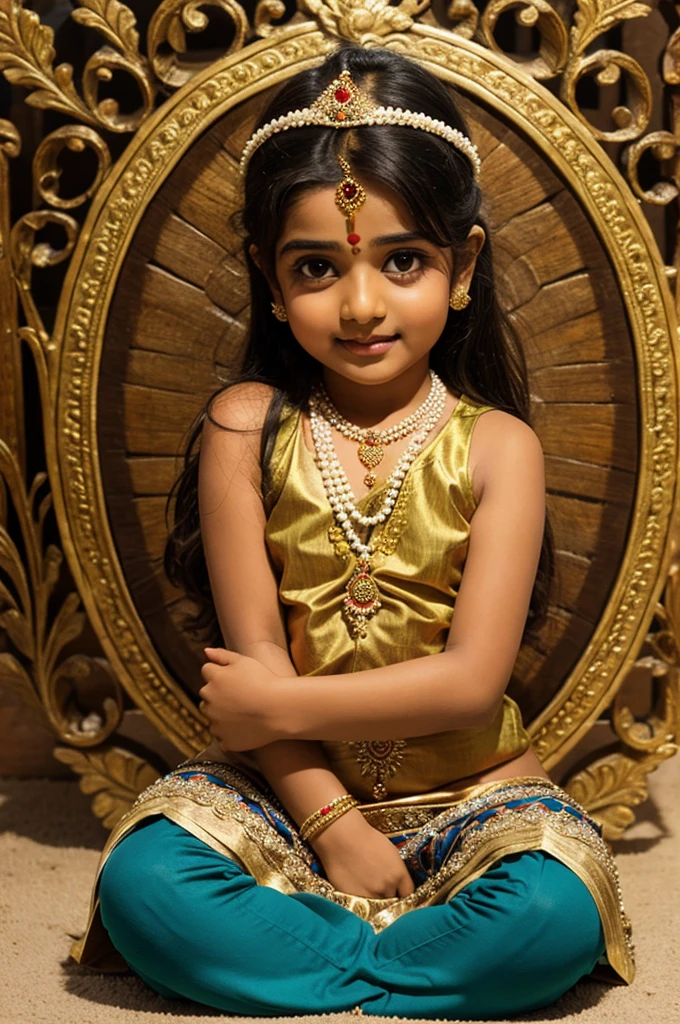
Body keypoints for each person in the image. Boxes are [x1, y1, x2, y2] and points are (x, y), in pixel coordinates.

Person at [72, 43, 634, 1018]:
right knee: (145, 884)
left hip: (472, 798)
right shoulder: (244, 427)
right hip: (289, 801)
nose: (362, 303)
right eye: (316, 266)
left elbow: (467, 682)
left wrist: (276, 708)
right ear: (266, 272)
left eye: (402, 259)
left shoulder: (498, 446)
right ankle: (405, 972)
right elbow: (252, 666)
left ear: (462, 263)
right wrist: (332, 826)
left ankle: (319, 969)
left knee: (548, 906)